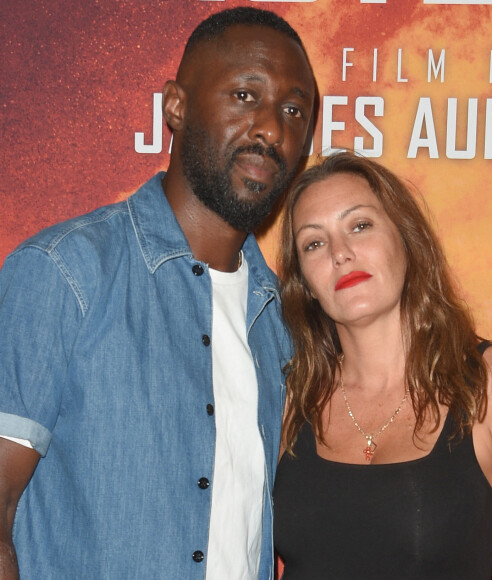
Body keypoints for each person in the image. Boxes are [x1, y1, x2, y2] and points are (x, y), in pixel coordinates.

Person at [0, 7, 316, 579]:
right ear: (175, 106)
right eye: (245, 96)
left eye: (293, 110)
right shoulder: (64, 273)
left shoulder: (282, 323)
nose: (271, 129)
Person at [273, 152, 492, 580]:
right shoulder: (289, 393)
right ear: (306, 284)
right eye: (314, 243)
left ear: (406, 238)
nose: (340, 253)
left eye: (360, 225)